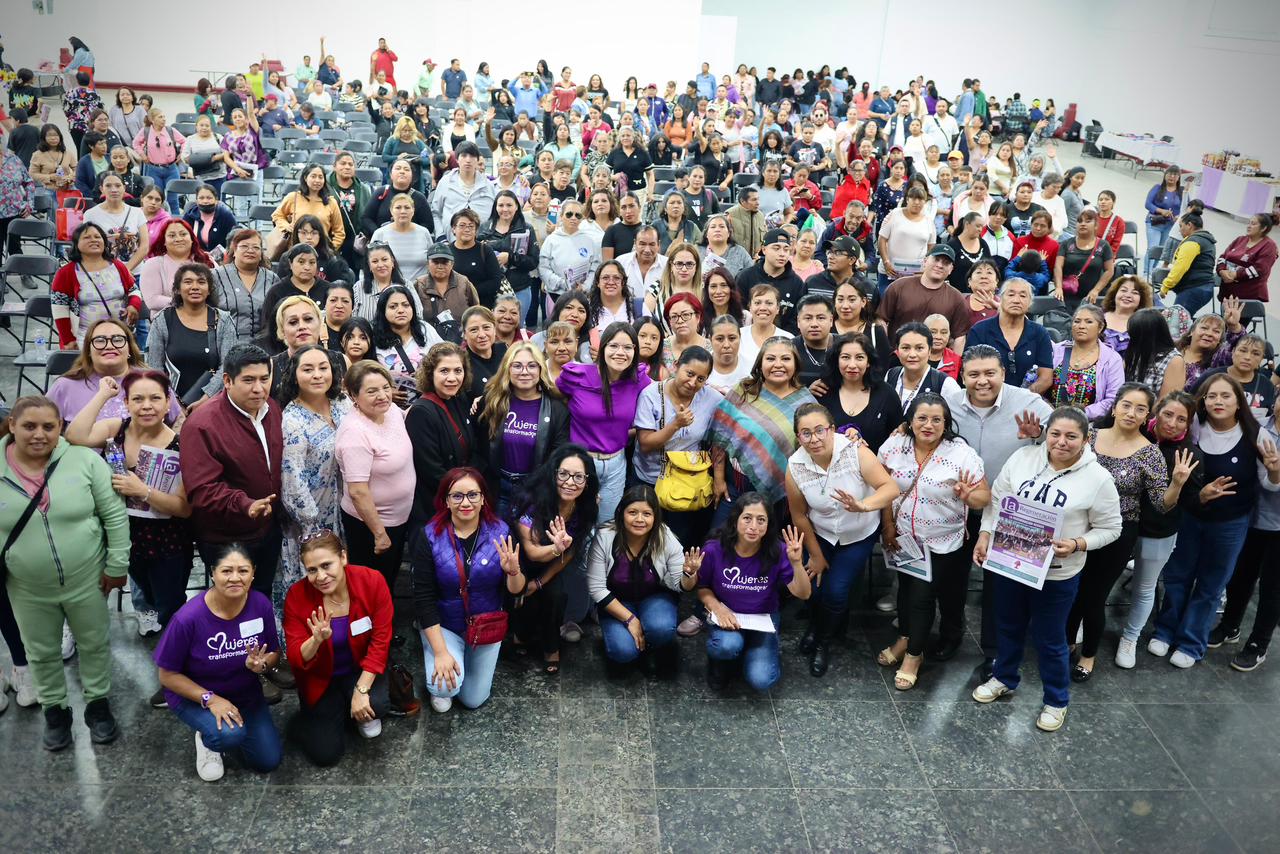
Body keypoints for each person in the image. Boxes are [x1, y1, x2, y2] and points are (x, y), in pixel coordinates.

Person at [973, 407, 1123, 732]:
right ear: (1046, 434)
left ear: (1086, 439)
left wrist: (1079, 543)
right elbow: (997, 500)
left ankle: (1056, 700)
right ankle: (1004, 678)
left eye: (1071, 436)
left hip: (1056, 573)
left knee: (1050, 638)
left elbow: (1112, 528)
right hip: (1011, 562)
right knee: (1008, 626)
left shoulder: (1098, 479)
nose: (1061, 442)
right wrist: (985, 533)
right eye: (1055, 434)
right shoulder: (1023, 458)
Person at [2, 395, 129, 750]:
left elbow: (114, 515)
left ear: (61, 427)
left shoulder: (84, 461)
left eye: (49, 426)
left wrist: (118, 564)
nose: (39, 434)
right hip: (27, 587)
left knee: (94, 643)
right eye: (29, 426)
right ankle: (55, 712)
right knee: (41, 651)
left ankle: (98, 706)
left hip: (88, 578)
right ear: (12, 425)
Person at [1150, 374, 1280, 668]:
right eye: (1211, 396)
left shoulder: (1256, 434)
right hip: (1190, 516)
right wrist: (1200, 494)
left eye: (1225, 396)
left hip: (1230, 523)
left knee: (1211, 584)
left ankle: (1191, 642)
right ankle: (1164, 630)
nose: (1217, 401)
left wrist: (1274, 470)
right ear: (1204, 401)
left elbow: (1270, 485)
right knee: (1178, 575)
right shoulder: (1194, 426)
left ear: (1239, 402)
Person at [1065, 384, 1181, 681]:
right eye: (1126, 405)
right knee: (1071, 590)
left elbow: (1161, 504)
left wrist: (1177, 484)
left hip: (1117, 532)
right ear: (1115, 407)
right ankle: (1067, 643)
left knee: (1094, 596)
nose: (1131, 413)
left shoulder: (1150, 453)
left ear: (1147, 416)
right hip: (1076, 524)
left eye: (1140, 409)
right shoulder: (1090, 436)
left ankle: (1088, 655)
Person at [875, 392, 989, 690]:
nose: (929, 425)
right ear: (910, 421)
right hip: (904, 538)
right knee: (905, 591)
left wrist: (969, 495)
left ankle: (914, 655)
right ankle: (905, 638)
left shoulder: (961, 454)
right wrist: (888, 525)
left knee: (922, 597)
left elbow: (984, 497)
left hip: (942, 542)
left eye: (937, 419)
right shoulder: (894, 446)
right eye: (922, 418)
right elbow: (883, 488)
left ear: (946, 423)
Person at [787, 403, 900, 675]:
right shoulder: (795, 466)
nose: (814, 439)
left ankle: (823, 641)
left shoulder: (855, 451)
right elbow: (799, 515)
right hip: (822, 532)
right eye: (806, 433)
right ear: (798, 437)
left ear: (832, 429)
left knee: (836, 592)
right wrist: (816, 555)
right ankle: (817, 625)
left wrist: (864, 506)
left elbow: (890, 487)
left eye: (820, 430)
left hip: (858, 533)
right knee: (812, 586)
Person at [154, 543, 283, 781]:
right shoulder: (188, 618)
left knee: (267, 761)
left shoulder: (260, 604)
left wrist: (262, 664)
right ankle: (207, 739)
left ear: (253, 573)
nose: (235, 578)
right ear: (213, 572)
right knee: (228, 736)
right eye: (226, 571)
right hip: (198, 698)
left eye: (243, 571)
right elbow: (167, 675)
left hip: (245, 694)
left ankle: (227, 726)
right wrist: (211, 700)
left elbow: (274, 652)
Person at [411, 467, 524, 712]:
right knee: (444, 688)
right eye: (457, 496)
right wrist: (441, 652)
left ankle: (460, 664)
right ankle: (436, 652)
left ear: (483, 499)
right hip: (445, 625)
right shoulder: (428, 536)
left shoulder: (502, 532)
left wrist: (514, 572)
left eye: (473, 495)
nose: (465, 503)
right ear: (446, 501)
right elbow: (423, 598)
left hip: (485, 625)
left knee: (473, 700)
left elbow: (516, 591)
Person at [181, 344, 284, 603]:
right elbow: (202, 490)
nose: (259, 388)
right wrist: (245, 504)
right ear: (227, 381)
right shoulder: (202, 424)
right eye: (249, 380)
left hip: (268, 529)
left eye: (264, 379)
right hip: (226, 538)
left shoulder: (272, 409)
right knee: (231, 605)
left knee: (261, 598)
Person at [283, 531, 392, 764]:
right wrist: (315, 640)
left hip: (359, 668)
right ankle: (327, 714)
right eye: (312, 570)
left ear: (343, 557)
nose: (321, 576)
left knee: (377, 704)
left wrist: (361, 691)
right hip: (321, 678)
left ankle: (354, 705)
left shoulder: (372, 581)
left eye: (326, 565)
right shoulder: (296, 595)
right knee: (326, 755)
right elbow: (295, 656)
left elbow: (381, 641)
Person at [1115, 392, 1202, 669]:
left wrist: (1198, 492)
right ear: (1156, 412)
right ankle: (1082, 621)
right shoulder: (1135, 433)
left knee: (1145, 586)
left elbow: (1190, 502)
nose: (1172, 423)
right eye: (1168, 414)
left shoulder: (1188, 454)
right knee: (1100, 578)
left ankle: (1130, 638)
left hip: (1158, 530)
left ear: (1189, 423)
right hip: (1119, 523)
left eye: (1181, 419)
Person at [697, 493, 811, 692]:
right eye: (747, 518)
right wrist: (718, 608)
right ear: (735, 520)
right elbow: (702, 587)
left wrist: (797, 564)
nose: (753, 526)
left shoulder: (779, 550)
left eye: (761, 520)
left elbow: (803, 594)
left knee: (761, 679)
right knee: (726, 646)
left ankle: (753, 648)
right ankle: (720, 663)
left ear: (768, 525)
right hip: (727, 615)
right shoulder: (714, 548)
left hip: (763, 618)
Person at [586, 485, 697, 675]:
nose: (639, 519)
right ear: (621, 513)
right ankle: (635, 641)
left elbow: (681, 586)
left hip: (655, 597)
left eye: (647, 514)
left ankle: (650, 645)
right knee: (623, 652)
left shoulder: (665, 537)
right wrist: (631, 619)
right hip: (616, 602)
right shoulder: (605, 537)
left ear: (655, 517)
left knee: (661, 628)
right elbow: (596, 588)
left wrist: (689, 575)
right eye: (632, 512)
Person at [708, 336, 817, 526]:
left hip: (778, 495)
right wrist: (718, 479)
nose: (778, 365)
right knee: (718, 537)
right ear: (760, 363)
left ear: (796, 364)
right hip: (734, 486)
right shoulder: (744, 389)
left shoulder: (807, 403)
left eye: (785, 359)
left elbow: (815, 450)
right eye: (770, 358)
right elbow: (720, 436)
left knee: (764, 541)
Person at [512, 445, 600, 673]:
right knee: (522, 595)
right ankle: (520, 635)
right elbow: (531, 551)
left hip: (553, 563)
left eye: (578, 477)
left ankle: (551, 647)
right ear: (553, 474)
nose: (570, 482)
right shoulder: (532, 501)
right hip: (519, 561)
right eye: (564, 474)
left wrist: (540, 581)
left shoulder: (586, 507)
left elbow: (570, 551)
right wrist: (555, 548)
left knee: (556, 595)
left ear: (587, 482)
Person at [557, 322, 652, 525]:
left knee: (606, 526)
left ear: (635, 351)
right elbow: (554, 398)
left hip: (616, 464)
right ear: (602, 348)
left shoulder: (639, 379)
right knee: (574, 524)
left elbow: (663, 394)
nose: (620, 353)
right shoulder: (577, 376)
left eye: (627, 347)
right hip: (579, 462)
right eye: (613, 346)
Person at [277, 344, 350, 603]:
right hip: (310, 519)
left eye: (323, 368)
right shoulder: (292, 419)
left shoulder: (342, 403)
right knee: (314, 585)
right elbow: (292, 479)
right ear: (294, 375)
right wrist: (312, 525)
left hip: (343, 508)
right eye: (308, 369)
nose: (317, 375)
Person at [335, 360, 416, 594]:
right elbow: (358, 491)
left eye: (385, 387)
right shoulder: (355, 432)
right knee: (371, 589)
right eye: (371, 391)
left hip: (398, 519)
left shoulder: (391, 411)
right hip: (370, 527)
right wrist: (379, 533)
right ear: (353, 396)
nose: (382, 395)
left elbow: (408, 417)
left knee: (388, 581)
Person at [1215, 393, 1280, 671]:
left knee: (1272, 588)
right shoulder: (1256, 426)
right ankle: (1229, 625)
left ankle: (1258, 644)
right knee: (1240, 578)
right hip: (1250, 516)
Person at [476, 343, 570, 517]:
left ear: (541, 369)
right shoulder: (492, 403)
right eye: (517, 366)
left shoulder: (557, 409)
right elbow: (478, 445)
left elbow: (558, 457)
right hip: (497, 489)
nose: (525, 372)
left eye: (532, 365)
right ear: (507, 369)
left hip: (534, 492)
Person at [144, 262, 236, 407]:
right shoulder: (163, 320)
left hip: (214, 403)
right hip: (168, 404)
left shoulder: (223, 320)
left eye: (201, 282)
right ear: (177, 289)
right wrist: (174, 404)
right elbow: (154, 367)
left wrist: (205, 399)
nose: (195, 287)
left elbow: (228, 365)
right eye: (188, 282)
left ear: (209, 289)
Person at [52, 221, 143, 350]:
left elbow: (134, 290)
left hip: (118, 338)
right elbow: (59, 308)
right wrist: (68, 340)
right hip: (83, 341)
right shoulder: (66, 273)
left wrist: (133, 305)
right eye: (87, 237)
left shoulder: (118, 266)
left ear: (104, 242)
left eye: (97, 237)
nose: (93, 240)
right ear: (76, 244)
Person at [964, 277, 1055, 391]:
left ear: (1030, 303)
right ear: (1000, 299)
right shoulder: (979, 330)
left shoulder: (1040, 333)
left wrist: (1022, 398)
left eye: (1023, 296)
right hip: (986, 395)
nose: (1016, 300)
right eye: (1011, 295)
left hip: (1028, 398)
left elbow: (1045, 378)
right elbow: (971, 372)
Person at [877, 245, 970, 344]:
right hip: (898, 350)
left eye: (946, 263)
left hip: (936, 353)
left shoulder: (956, 298)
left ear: (951, 269)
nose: (939, 265)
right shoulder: (899, 286)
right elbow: (881, 320)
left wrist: (955, 355)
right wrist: (885, 349)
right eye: (936, 260)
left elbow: (959, 336)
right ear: (925, 261)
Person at [1048, 303, 1124, 420]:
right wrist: (1047, 411)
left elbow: (1113, 399)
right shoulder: (1056, 351)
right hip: (1050, 418)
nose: (1081, 326)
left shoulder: (1112, 359)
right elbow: (1038, 382)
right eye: (1077, 321)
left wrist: (1081, 414)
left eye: (1089, 322)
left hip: (1090, 423)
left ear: (1100, 327)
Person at [211, 229, 277, 341]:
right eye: (244, 246)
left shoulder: (272, 278)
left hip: (263, 344)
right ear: (234, 251)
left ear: (261, 254)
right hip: (224, 342)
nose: (250, 250)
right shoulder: (216, 276)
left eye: (256, 247)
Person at [83, 172, 151, 274]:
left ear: (124, 188)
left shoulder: (137, 212)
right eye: (108, 186)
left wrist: (125, 270)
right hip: (105, 273)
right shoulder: (91, 214)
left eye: (118, 185)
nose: (114, 190)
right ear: (101, 189)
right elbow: (88, 246)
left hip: (134, 273)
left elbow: (144, 246)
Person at [1053, 209, 1115, 309]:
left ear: (1096, 225)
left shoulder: (1104, 245)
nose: (1082, 224)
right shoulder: (1066, 244)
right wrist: (1058, 287)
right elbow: (1058, 267)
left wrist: (1096, 290)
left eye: (1088, 221)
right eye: (1080, 221)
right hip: (1067, 296)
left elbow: (1109, 271)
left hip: (1092, 297)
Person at [1157, 212, 1217, 315]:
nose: (1179, 230)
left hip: (1193, 289)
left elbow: (1180, 268)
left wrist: (1165, 286)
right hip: (1203, 287)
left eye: (1181, 226)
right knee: (1184, 319)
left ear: (1189, 225)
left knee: (1177, 320)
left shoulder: (1193, 242)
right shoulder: (1206, 239)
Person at [1216, 213, 1275, 302]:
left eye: (1253, 224)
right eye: (1249, 223)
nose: (1249, 226)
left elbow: (1260, 269)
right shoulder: (1240, 239)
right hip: (1226, 293)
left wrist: (1236, 275)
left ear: (1263, 228)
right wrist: (1221, 271)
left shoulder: (1269, 245)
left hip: (1247, 296)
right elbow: (1223, 257)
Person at [1144, 166, 1183, 277]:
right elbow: (1147, 204)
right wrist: (1161, 211)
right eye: (1169, 174)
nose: (1172, 176)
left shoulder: (1181, 191)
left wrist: (1179, 217)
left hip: (1170, 225)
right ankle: (1146, 273)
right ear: (1165, 175)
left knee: (1161, 250)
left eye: (1175, 174)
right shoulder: (1157, 188)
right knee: (1153, 248)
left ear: (1179, 177)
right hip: (1154, 223)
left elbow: (1186, 208)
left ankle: (1152, 273)